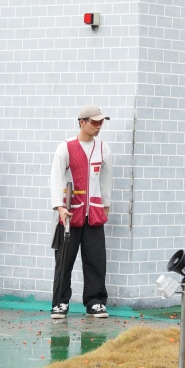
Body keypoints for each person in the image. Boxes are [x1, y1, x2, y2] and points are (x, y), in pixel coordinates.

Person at [49, 105, 112, 319]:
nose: (98, 126)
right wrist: (59, 206)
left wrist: (106, 205)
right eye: (94, 122)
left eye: (101, 122)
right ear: (81, 122)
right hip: (69, 213)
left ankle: (95, 302)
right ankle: (60, 302)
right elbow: (56, 179)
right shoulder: (65, 147)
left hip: (93, 213)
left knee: (96, 260)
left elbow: (106, 179)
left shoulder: (103, 147)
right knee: (64, 260)